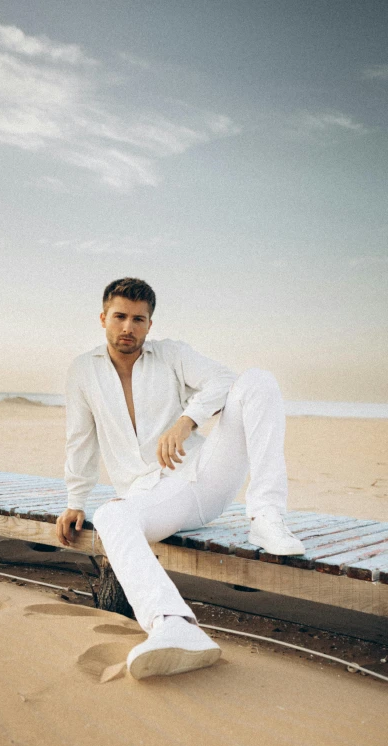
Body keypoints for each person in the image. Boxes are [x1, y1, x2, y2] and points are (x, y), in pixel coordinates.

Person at [56, 277, 305, 680]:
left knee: (257, 379)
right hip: (155, 497)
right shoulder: (84, 371)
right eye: (119, 317)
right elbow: (80, 439)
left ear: (149, 325)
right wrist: (75, 500)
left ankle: (266, 517)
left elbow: (225, 381)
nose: (128, 328)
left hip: (206, 475)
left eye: (139, 319)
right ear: (103, 318)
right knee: (113, 516)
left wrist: (186, 421)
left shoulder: (171, 354)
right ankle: (172, 625)